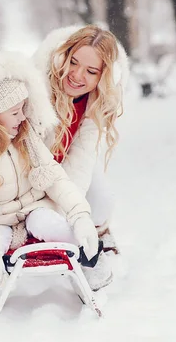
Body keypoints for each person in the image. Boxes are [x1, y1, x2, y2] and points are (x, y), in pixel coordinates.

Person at [0, 51, 103, 304]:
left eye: (23, 108)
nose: (22, 117)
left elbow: (55, 178)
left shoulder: (26, 136)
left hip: (33, 209)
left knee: (53, 225)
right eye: (14, 112)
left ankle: (90, 257)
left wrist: (81, 217)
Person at [32, 25, 129, 259]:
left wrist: (70, 211)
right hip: (31, 175)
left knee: (102, 201)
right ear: (62, 56)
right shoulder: (35, 90)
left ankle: (98, 237)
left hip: (65, 170)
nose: (76, 75)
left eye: (91, 71)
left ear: (103, 77)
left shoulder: (94, 104)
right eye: (73, 62)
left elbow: (81, 162)